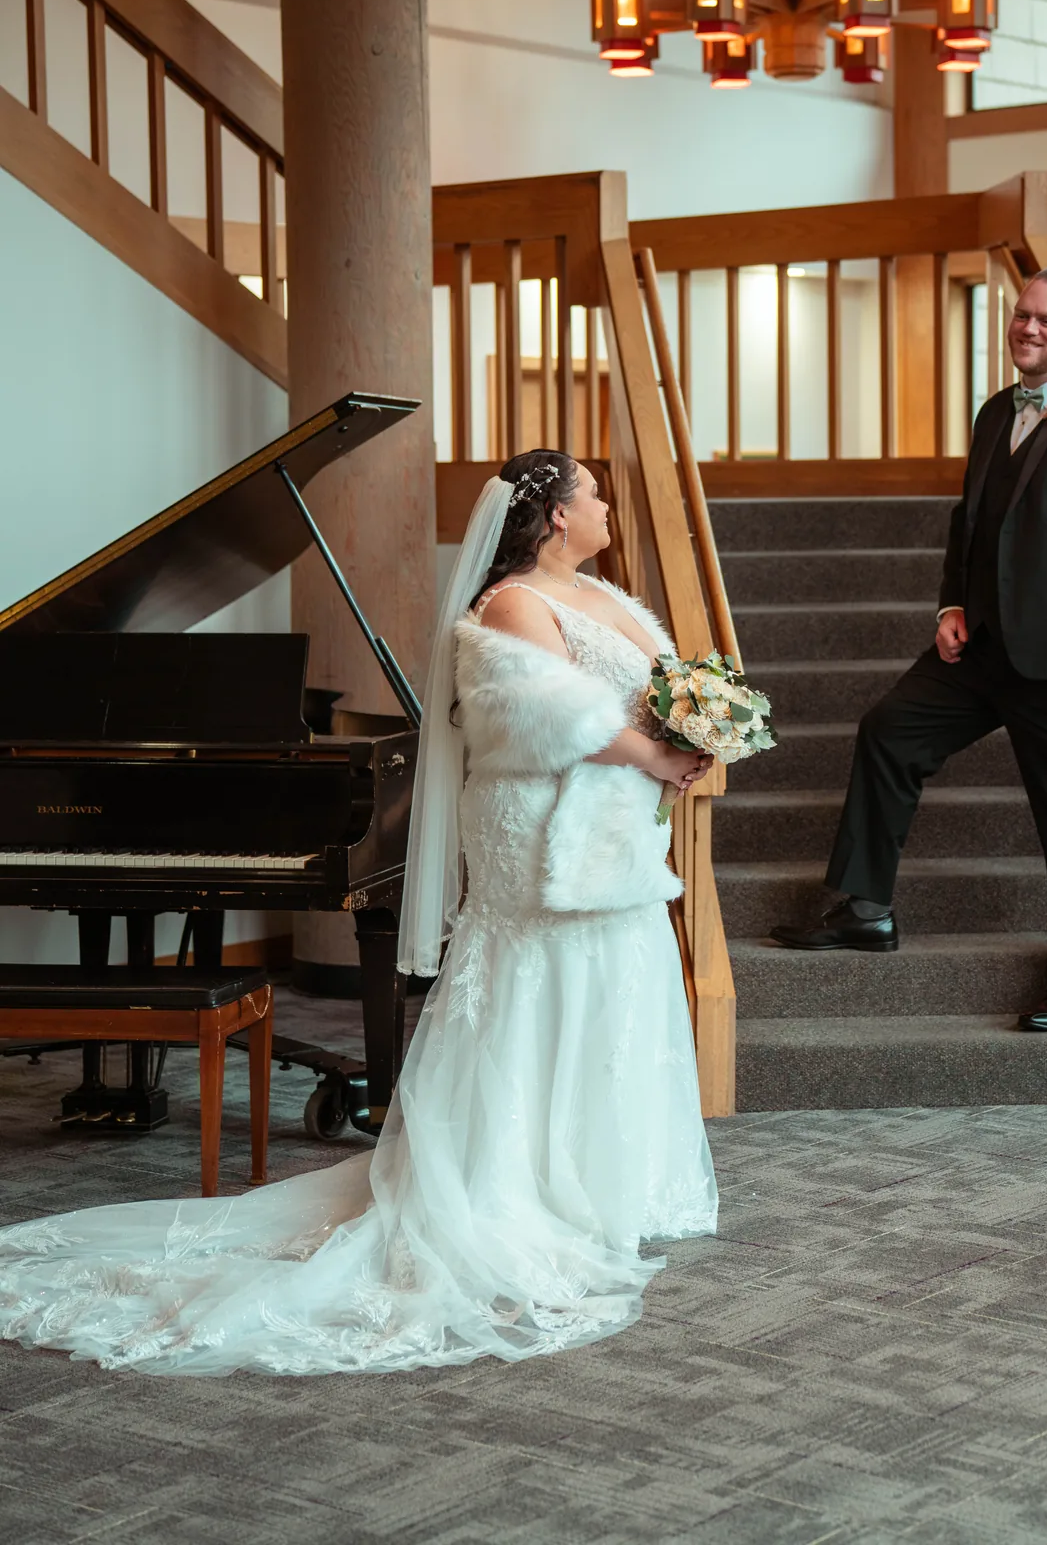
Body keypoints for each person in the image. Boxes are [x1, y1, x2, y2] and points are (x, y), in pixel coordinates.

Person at [0, 453, 716, 1374]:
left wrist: (692, 734)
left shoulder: (610, 598)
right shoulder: (509, 605)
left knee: (612, 984)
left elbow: (652, 693)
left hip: (610, 832)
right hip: (539, 830)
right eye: (592, 493)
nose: (608, 502)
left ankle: (604, 1179)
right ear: (553, 518)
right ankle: (520, 1181)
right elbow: (538, 721)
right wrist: (655, 758)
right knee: (536, 982)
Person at [771, 269, 1047, 1034]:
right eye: (1021, 315)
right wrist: (951, 604)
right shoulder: (995, 412)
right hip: (979, 647)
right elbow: (970, 522)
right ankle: (866, 908)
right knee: (889, 731)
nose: (1028, 329)